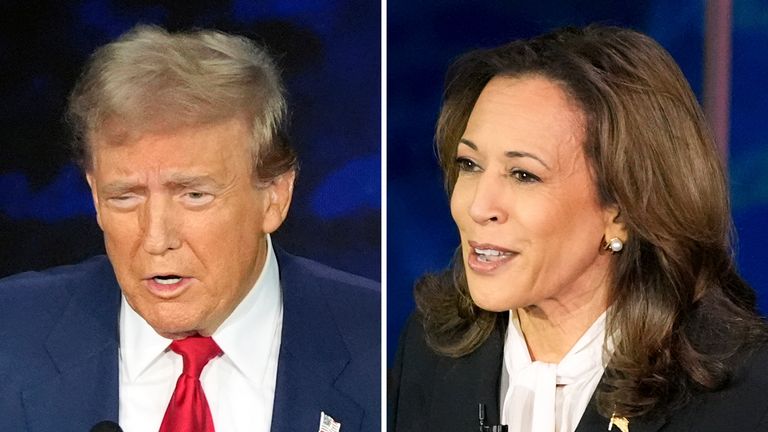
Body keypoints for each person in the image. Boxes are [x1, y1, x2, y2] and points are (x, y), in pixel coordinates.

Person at [0, 25, 379, 432]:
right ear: (94, 196)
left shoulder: (379, 344)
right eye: (125, 196)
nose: (157, 239)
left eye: (194, 195)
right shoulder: (11, 332)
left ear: (274, 196)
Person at [389, 25, 768, 432]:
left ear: (623, 208)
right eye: (470, 165)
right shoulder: (430, 350)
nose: (478, 206)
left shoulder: (746, 393)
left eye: (523, 175)